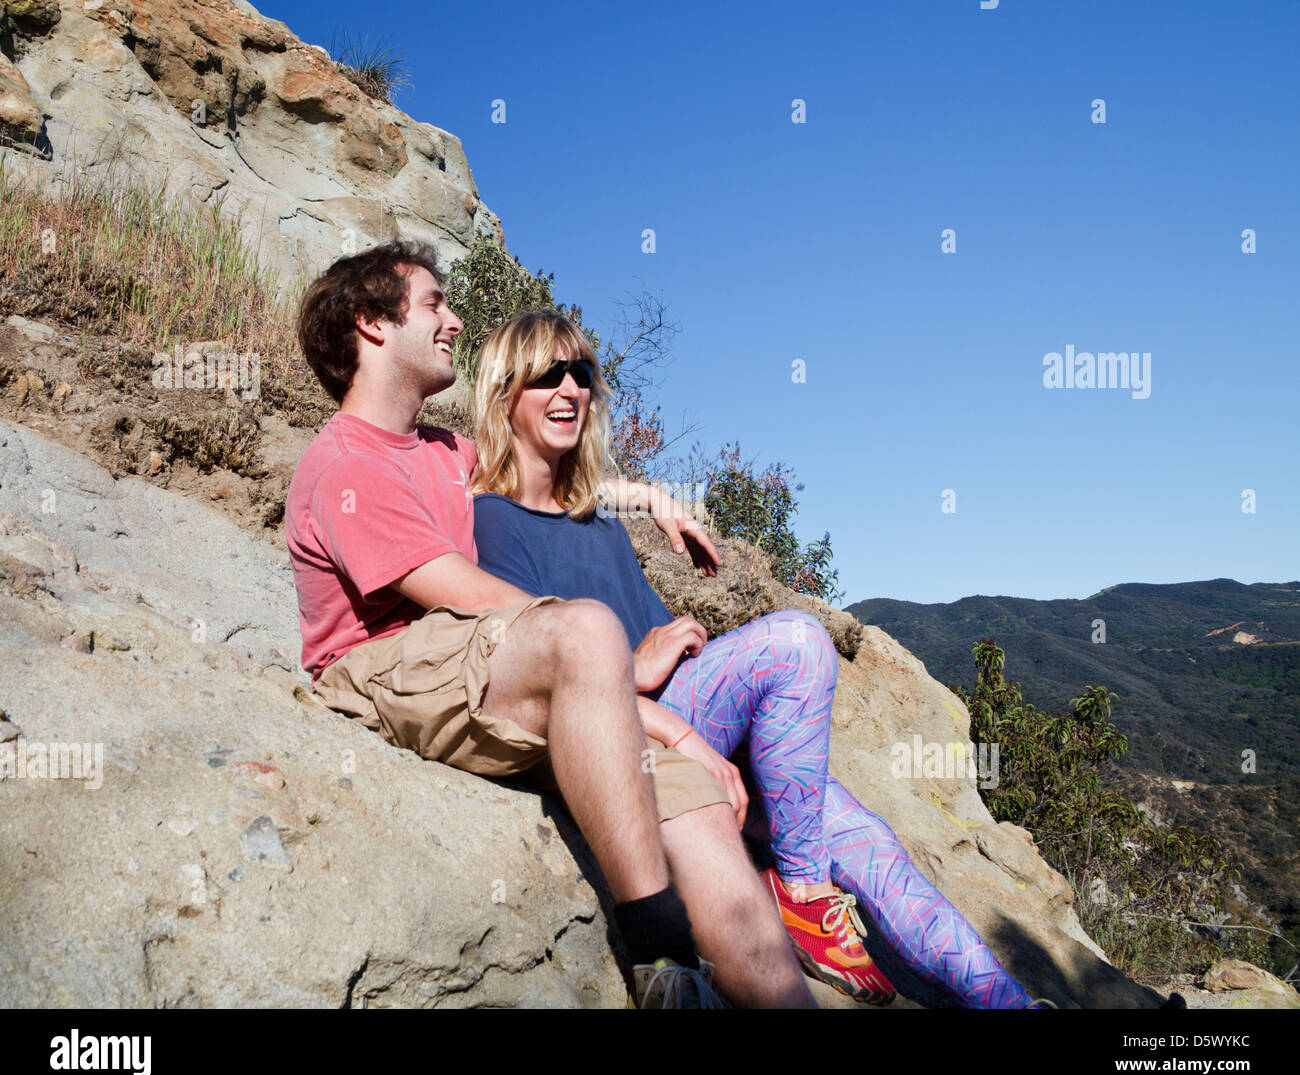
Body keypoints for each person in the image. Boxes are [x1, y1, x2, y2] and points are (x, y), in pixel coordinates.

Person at [285, 240, 815, 1009]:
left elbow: (538, 463)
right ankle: (662, 960)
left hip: (486, 666)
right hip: (391, 662)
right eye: (435, 303)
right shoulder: (344, 464)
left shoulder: (442, 450)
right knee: (585, 630)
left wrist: (647, 498)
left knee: (709, 833)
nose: (455, 320)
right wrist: (659, 711)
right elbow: (464, 595)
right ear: (372, 324)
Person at [469, 309, 1040, 1008]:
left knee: (871, 847)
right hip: (642, 734)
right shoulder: (491, 523)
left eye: (581, 373)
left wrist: (648, 496)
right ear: (505, 393)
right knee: (796, 640)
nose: (570, 389)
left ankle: (1011, 1003)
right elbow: (545, 683)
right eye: (546, 374)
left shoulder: (598, 515)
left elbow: (584, 500)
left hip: (707, 724)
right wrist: (632, 669)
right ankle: (800, 892)